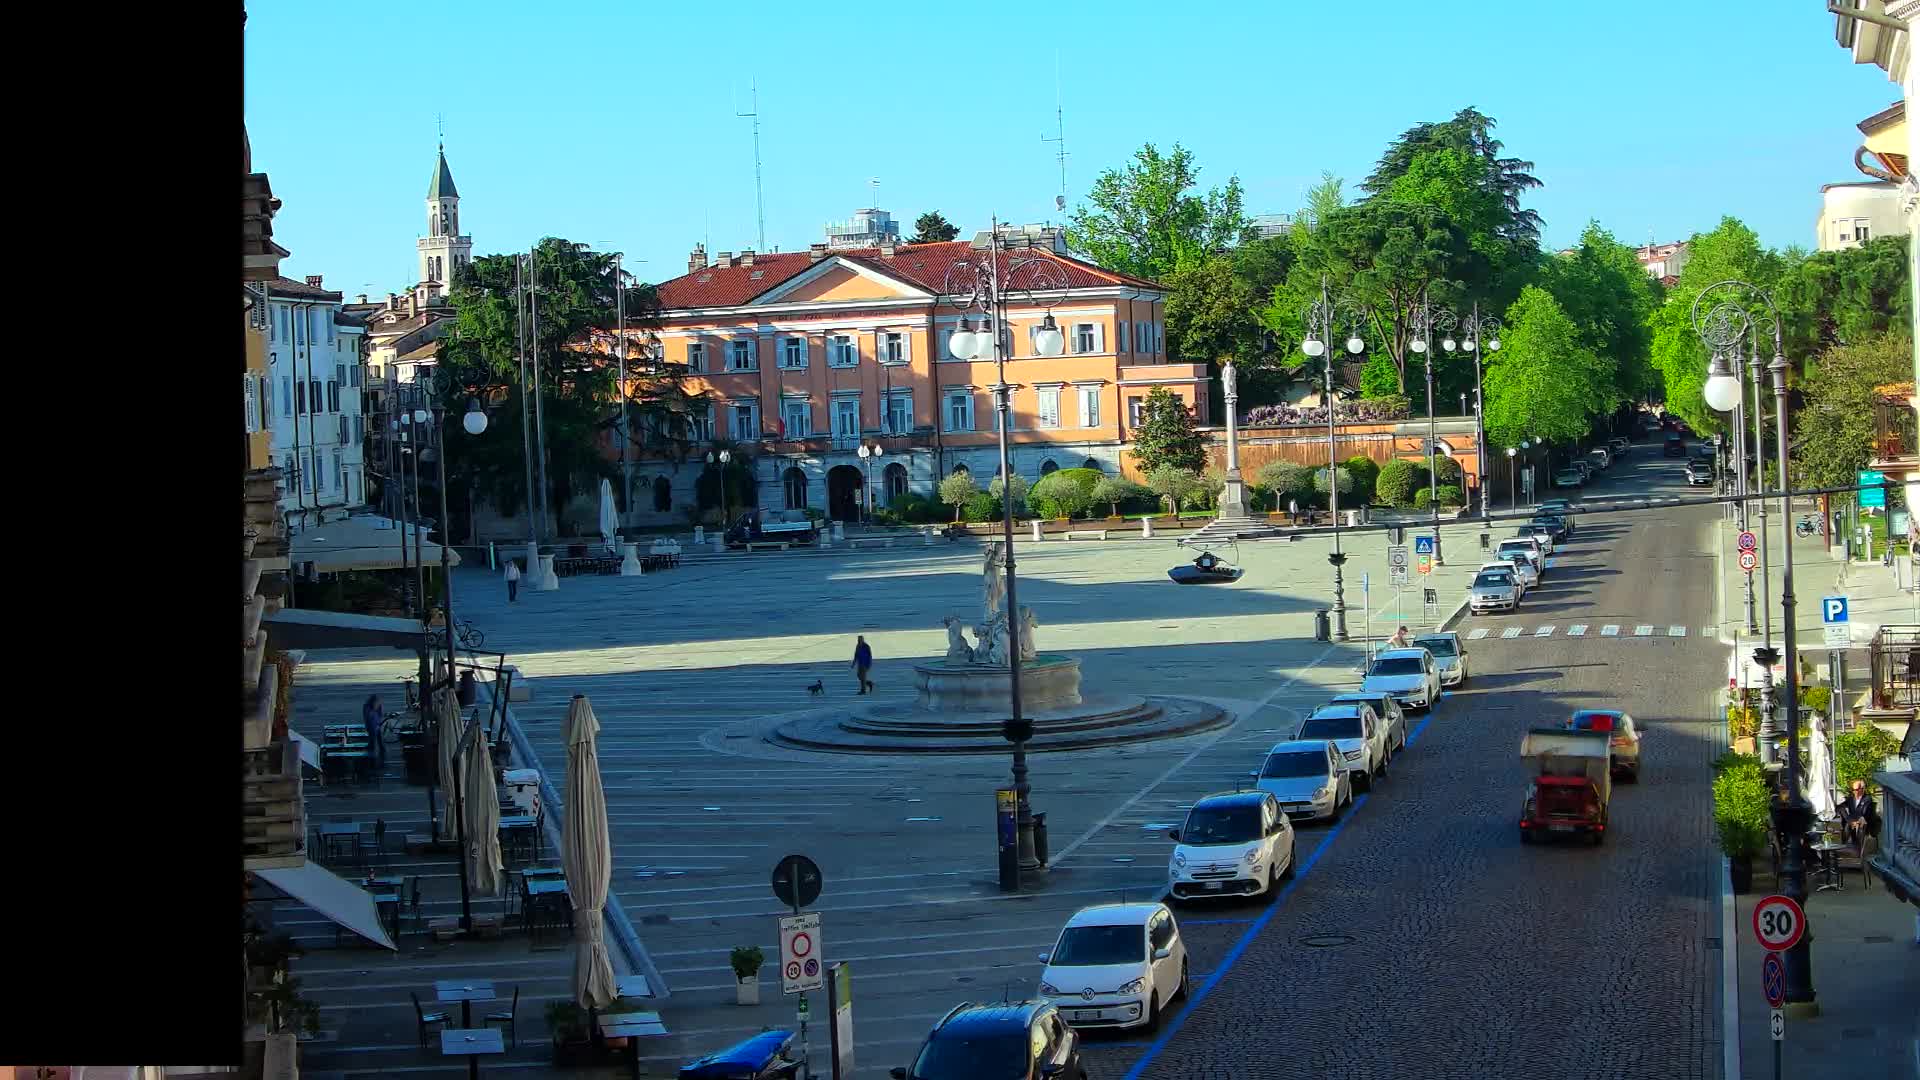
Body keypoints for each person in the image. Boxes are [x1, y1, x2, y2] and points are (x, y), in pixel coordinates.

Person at [1840, 779, 1880, 861]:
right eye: (1853, 790)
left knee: (1861, 826)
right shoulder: (1850, 798)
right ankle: (1844, 847)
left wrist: (1857, 821)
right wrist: (1850, 820)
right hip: (1852, 821)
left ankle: (1859, 852)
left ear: (1862, 789)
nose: (1854, 792)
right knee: (1848, 826)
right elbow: (1840, 807)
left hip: (1865, 822)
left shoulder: (1867, 799)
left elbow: (1864, 813)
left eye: (1856, 790)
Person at [362, 694, 385, 761]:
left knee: (375, 736)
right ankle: (376, 748)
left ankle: (374, 748)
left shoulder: (367, 706)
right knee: (375, 736)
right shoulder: (369, 706)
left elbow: (366, 716)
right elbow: (367, 716)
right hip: (373, 723)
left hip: (374, 723)